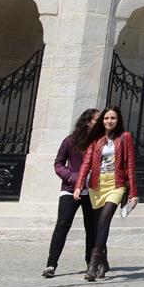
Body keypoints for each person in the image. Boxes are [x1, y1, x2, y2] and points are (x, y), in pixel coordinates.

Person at [72, 104, 138, 282]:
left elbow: (130, 165)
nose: (109, 121)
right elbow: (86, 163)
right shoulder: (96, 140)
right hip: (97, 185)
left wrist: (133, 192)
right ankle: (103, 262)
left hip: (116, 184)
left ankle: (92, 265)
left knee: (105, 219)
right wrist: (79, 185)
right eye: (106, 118)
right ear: (103, 120)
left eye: (113, 118)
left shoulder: (125, 137)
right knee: (99, 226)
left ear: (118, 120)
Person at [43, 109, 99, 277]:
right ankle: (51, 264)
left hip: (92, 191)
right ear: (88, 122)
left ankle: (91, 264)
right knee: (62, 224)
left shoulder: (101, 142)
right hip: (69, 189)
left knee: (92, 228)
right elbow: (58, 163)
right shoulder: (70, 141)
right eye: (98, 119)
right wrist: (71, 177)